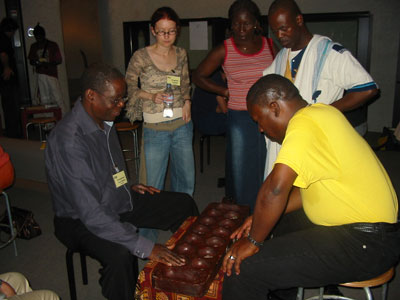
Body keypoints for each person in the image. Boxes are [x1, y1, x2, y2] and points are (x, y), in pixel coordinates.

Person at [221, 74, 400, 300]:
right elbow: (304, 195)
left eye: (259, 120)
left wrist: (253, 241)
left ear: (274, 107)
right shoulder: (323, 113)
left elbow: (275, 189)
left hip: (366, 244)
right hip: (368, 234)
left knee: (243, 268)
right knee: (275, 224)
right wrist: (259, 219)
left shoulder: (304, 123)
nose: (261, 129)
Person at [44, 63, 199, 300]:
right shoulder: (69, 141)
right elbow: (91, 213)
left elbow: (109, 170)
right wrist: (147, 247)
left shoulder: (104, 120)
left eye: (123, 98)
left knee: (183, 204)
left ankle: (187, 276)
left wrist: (127, 186)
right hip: (77, 220)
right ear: (91, 96)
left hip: (114, 199)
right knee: (120, 254)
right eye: (115, 100)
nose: (121, 105)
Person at [263, 0, 379, 176]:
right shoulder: (281, 57)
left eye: (284, 28)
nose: (279, 35)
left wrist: (325, 111)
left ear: (299, 20)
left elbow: (368, 88)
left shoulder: (329, 53)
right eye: (274, 31)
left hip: (316, 136)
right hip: (289, 139)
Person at [192, 0, 275, 211]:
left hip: (267, 115)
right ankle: (244, 215)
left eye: (246, 24)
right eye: (236, 24)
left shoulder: (269, 45)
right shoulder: (225, 49)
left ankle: (264, 211)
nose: (241, 29)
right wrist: (224, 91)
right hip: (239, 116)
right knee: (241, 170)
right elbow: (199, 76)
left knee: (267, 165)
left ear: (256, 23)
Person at [125, 7, 194, 197]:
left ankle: (182, 221)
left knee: (186, 181)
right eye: (162, 31)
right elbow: (129, 88)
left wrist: (187, 101)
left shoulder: (181, 54)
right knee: (152, 186)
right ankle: (149, 227)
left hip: (182, 124)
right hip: (155, 127)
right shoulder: (141, 56)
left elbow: (185, 83)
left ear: (177, 30)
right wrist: (151, 96)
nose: (166, 36)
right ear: (153, 30)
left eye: (171, 31)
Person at [28, 23, 67, 115]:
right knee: (44, 99)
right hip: (40, 74)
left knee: (58, 98)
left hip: (51, 74)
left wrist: (47, 63)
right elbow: (31, 60)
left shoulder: (52, 45)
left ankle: (63, 119)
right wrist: (37, 63)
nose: (38, 39)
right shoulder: (34, 46)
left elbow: (59, 60)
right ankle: (49, 122)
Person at [0, 18, 21, 138]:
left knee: (9, 106)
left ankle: (12, 132)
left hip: (5, 80)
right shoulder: (3, 38)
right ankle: (13, 133)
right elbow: (3, 54)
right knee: (11, 106)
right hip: (7, 80)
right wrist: (7, 67)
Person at [192, 69, 227, 136]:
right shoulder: (217, 81)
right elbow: (224, 109)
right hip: (205, 122)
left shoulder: (210, 75)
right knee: (239, 119)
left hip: (199, 119)